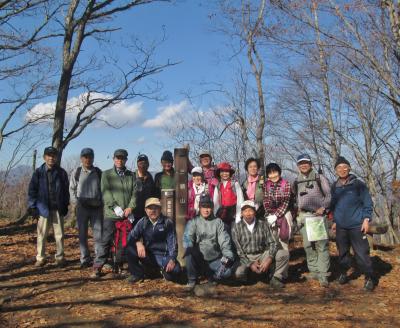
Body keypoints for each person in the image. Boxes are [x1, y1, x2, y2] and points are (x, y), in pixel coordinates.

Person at [330, 156, 376, 291]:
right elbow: (334, 206)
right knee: (343, 253)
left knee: (362, 253)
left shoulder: (358, 185)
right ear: (335, 170)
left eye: (345, 167)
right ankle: (344, 273)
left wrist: (366, 219)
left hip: (357, 225)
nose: (342, 169)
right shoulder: (335, 187)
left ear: (349, 168)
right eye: (339, 167)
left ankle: (369, 277)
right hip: (341, 227)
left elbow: (368, 202)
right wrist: (334, 221)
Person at [93, 149, 137, 278]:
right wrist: (115, 207)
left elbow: (135, 194)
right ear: (113, 159)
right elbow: (106, 193)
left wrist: (130, 208)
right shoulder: (106, 174)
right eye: (117, 158)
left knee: (123, 242)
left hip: (126, 215)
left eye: (122, 158)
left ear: (126, 160)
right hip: (111, 214)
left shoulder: (131, 175)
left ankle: (120, 265)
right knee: (105, 240)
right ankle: (98, 266)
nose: (119, 160)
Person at [293, 154, 331, 287]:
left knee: (321, 246)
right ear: (298, 166)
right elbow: (295, 198)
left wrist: (323, 207)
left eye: (306, 163)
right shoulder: (296, 180)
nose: (303, 165)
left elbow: (328, 195)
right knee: (308, 246)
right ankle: (314, 271)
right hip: (304, 216)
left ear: (311, 164)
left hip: (318, 216)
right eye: (301, 163)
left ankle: (324, 274)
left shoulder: (319, 178)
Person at [28, 146, 70, 267]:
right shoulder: (38, 172)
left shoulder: (62, 173)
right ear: (44, 157)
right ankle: (40, 258)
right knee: (41, 235)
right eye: (49, 155)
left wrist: (65, 204)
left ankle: (60, 258)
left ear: (56, 157)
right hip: (43, 209)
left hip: (58, 209)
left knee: (60, 235)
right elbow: (32, 191)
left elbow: (66, 191)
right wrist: (32, 207)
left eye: (53, 155)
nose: (51, 157)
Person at [232, 200, 289, 288]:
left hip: (262, 254)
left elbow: (273, 243)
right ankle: (252, 276)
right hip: (246, 256)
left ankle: (275, 278)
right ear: (242, 213)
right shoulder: (236, 228)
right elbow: (239, 251)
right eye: (245, 211)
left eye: (250, 210)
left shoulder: (263, 224)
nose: (248, 213)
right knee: (239, 273)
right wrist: (250, 264)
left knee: (283, 254)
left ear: (254, 211)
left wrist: (269, 259)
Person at [183, 194, 235, 290]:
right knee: (188, 253)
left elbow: (224, 240)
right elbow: (187, 237)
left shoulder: (218, 222)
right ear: (199, 208)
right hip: (199, 259)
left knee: (227, 272)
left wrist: (227, 256)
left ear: (212, 208)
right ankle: (192, 280)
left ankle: (212, 277)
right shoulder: (194, 221)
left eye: (209, 207)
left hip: (214, 259)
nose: (206, 210)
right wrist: (189, 246)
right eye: (203, 207)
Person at [126, 197, 181, 283]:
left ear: (160, 209)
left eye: (156, 208)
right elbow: (130, 237)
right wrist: (138, 243)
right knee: (130, 248)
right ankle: (137, 274)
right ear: (145, 210)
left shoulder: (167, 222)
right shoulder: (143, 222)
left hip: (164, 256)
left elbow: (173, 244)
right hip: (148, 256)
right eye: (150, 208)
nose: (153, 211)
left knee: (176, 271)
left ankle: (159, 271)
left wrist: (172, 259)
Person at [69, 148, 103, 269]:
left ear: (93, 158)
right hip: (82, 207)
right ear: (81, 158)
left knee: (98, 234)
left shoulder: (99, 172)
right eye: (85, 157)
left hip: (96, 208)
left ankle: (99, 258)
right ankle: (84, 258)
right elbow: (72, 189)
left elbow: (103, 190)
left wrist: (101, 202)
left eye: (90, 157)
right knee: (82, 234)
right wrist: (76, 203)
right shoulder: (76, 172)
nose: (87, 159)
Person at [263, 163, 294, 251]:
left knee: (283, 239)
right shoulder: (266, 184)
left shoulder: (286, 184)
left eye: (275, 172)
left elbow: (286, 202)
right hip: (270, 214)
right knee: (272, 239)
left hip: (284, 213)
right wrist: (269, 213)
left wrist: (276, 215)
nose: (273, 175)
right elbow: (265, 199)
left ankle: (284, 260)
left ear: (279, 172)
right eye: (270, 173)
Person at [213, 162, 244, 230]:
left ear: (230, 173)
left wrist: (238, 215)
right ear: (219, 173)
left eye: (227, 171)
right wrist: (215, 215)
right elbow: (215, 202)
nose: (224, 174)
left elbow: (240, 199)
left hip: (233, 212)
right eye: (222, 171)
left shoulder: (235, 184)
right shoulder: (218, 186)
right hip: (222, 213)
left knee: (234, 232)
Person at [133, 154, 156, 222]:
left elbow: (153, 194)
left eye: (145, 163)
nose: (142, 165)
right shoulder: (132, 176)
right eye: (140, 163)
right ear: (137, 164)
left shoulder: (150, 178)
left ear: (148, 164)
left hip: (147, 213)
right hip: (134, 213)